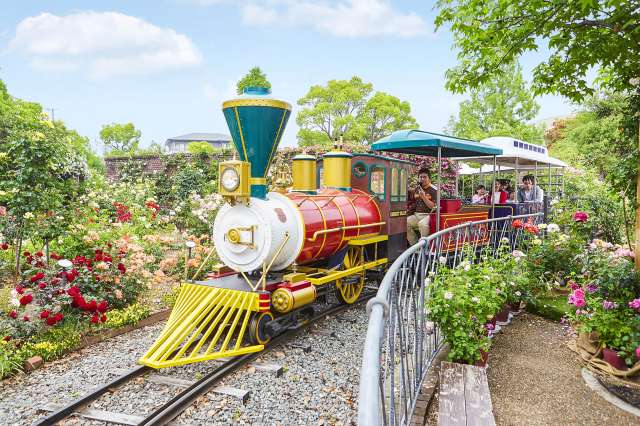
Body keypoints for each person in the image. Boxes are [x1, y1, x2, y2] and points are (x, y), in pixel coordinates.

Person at [407, 169, 438, 245]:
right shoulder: (416, 189)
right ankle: (415, 246)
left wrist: (424, 197)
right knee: (404, 222)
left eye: (425, 177)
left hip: (429, 215)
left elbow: (433, 207)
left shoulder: (434, 190)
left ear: (429, 178)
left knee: (422, 224)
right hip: (417, 214)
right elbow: (414, 204)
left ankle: (424, 247)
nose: (422, 179)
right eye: (420, 177)